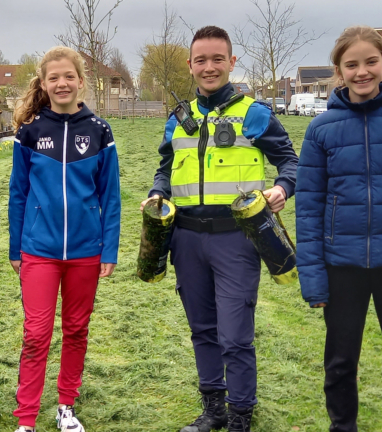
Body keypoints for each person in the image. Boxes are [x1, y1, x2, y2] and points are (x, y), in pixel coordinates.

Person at [142, 26, 298, 432]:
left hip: (237, 239)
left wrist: (282, 188)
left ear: (231, 63)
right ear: (191, 66)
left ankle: (241, 414)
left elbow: (292, 162)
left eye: (217, 59)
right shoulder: (179, 119)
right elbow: (164, 168)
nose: (208, 67)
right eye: (200, 60)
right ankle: (214, 409)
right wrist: (157, 193)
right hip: (186, 238)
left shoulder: (255, 113)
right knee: (202, 330)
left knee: (234, 335)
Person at [295, 26, 382, 432]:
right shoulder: (321, 131)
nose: (362, 72)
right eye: (351, 64)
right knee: (339, 365)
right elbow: (307, 209)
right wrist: (315, 280)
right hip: (342, 268)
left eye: (370, 62)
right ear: (339, 69)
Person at [7, 46, 121, 432]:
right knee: (36, 334)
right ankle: (26, 419)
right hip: (38, 250)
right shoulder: (30, 132)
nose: (61, 83)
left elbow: (111, 197)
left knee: (76, 329)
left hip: (87, 251)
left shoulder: (99, 131)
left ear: (80, 81)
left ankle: (66, 407)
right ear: (43, 83)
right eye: (53, 78)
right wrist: (14, 249)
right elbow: (18, 193)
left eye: (68, 76)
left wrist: (110, 246)